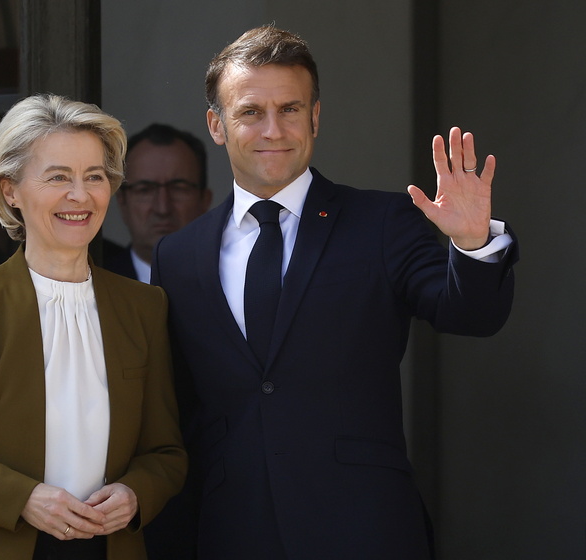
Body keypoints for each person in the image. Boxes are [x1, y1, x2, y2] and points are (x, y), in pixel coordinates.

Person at [151, 25, 518, 559]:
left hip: (364, 529)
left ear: (315, 118)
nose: (273, 129)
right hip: (231, 531)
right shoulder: (178, 255)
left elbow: (469, 314)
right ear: (217, 125)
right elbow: (177, 409)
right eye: (251, 111)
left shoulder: (383, 222)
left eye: (291, 109)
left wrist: (471, 242)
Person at [0, 94, 187, 560]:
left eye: (95, 177)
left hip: (108, 549)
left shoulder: (144, 306)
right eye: (58, 177)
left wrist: (135, 494)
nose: (80, 195)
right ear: (10, 190)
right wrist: (23, 499)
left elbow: (165, 452)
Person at [103, 123, 212, 283]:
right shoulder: (94, 286)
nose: (163, 208)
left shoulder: (230, 282)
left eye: (178, 188)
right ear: (122, 201)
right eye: (145, 190)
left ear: (205, 200)